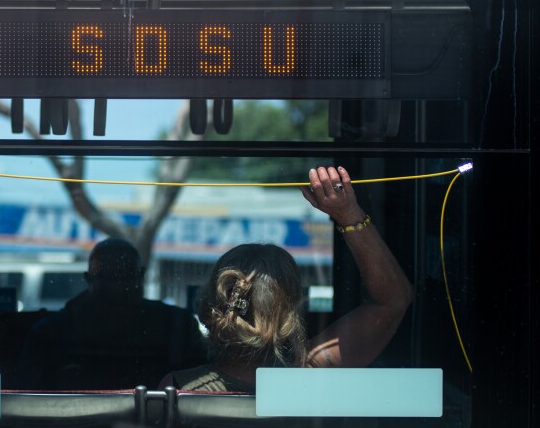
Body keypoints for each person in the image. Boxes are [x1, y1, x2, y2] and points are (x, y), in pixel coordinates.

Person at [161, 166, 414, 391]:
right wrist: (348, 215)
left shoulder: (178, 389)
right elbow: (392, 302)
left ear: (209, 306)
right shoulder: (312, 374)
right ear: (291, 312)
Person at [17, 238, 206, 390]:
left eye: (124, 279)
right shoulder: (177, 325)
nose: (117, 289)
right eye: (108, 280)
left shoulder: (51, 331)